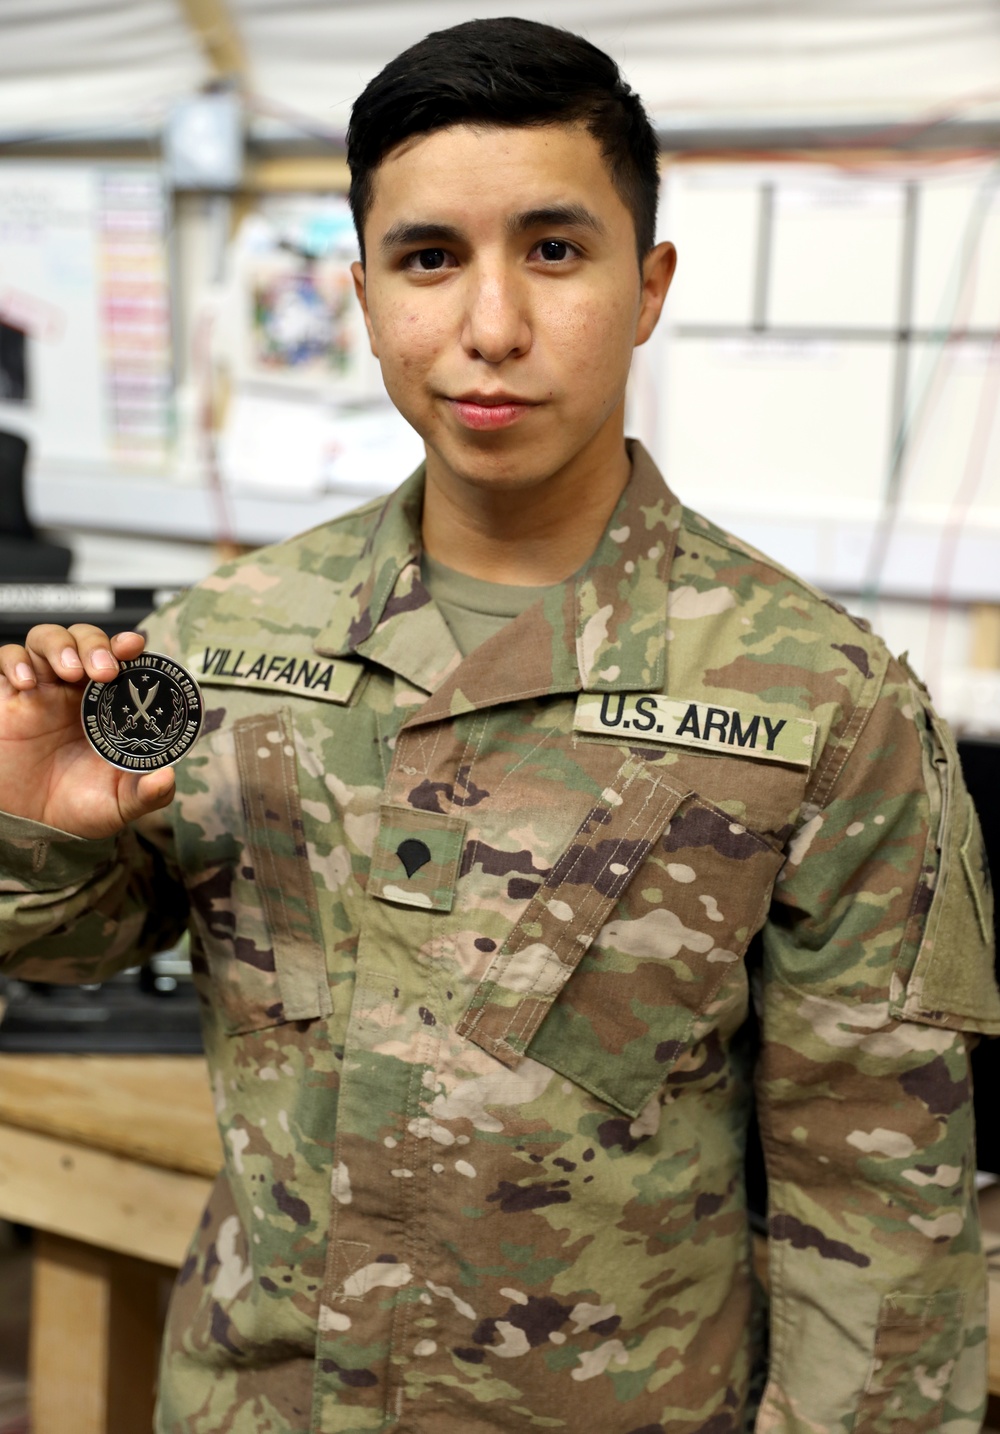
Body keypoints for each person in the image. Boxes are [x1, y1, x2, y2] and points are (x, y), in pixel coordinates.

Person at [0, 18, 996, 1434]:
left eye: (553, 249)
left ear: (647, 285)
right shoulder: (226, 638)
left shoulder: (816, 696)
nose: (489, 328)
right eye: (428, 259)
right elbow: (74, 944)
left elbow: (880, 1194)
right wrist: (36, 821)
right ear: (360, 294)